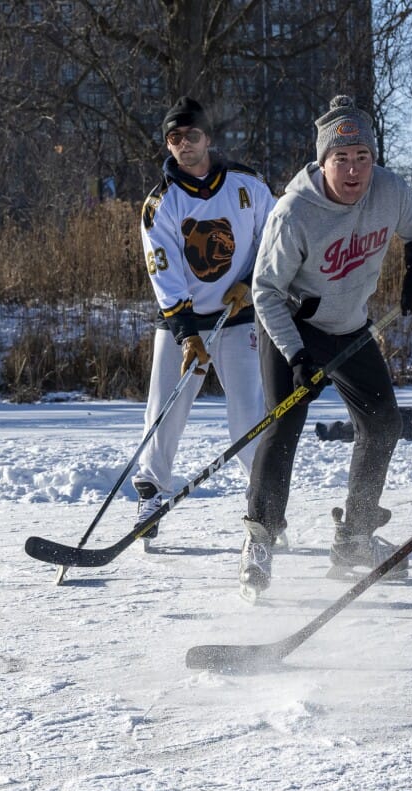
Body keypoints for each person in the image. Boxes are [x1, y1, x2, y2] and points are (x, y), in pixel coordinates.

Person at [240, 95, 412, 600]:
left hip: (350, 326)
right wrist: (296, 355)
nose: (353, 171)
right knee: (283, 422)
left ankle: (354, 535)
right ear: (322, 161)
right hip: (293, 327)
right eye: (342, 159)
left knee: (383, 422)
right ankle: (259, 537)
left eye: (363, 159)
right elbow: (264, 292)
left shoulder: (388, 191)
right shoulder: (294, 213)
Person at [133, 96, 275, 547]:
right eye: (174, 138)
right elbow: (164, 271)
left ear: (208, 138)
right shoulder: (160, 204)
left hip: (238, 315)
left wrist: (252, 282)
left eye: (191, 135)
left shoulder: (247, 185)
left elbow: (274, 239)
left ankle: (267, 503)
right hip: (185, 319)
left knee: (248, 415)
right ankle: (151, 492)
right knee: (167, 406)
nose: (184, 144)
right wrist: (187, 333)